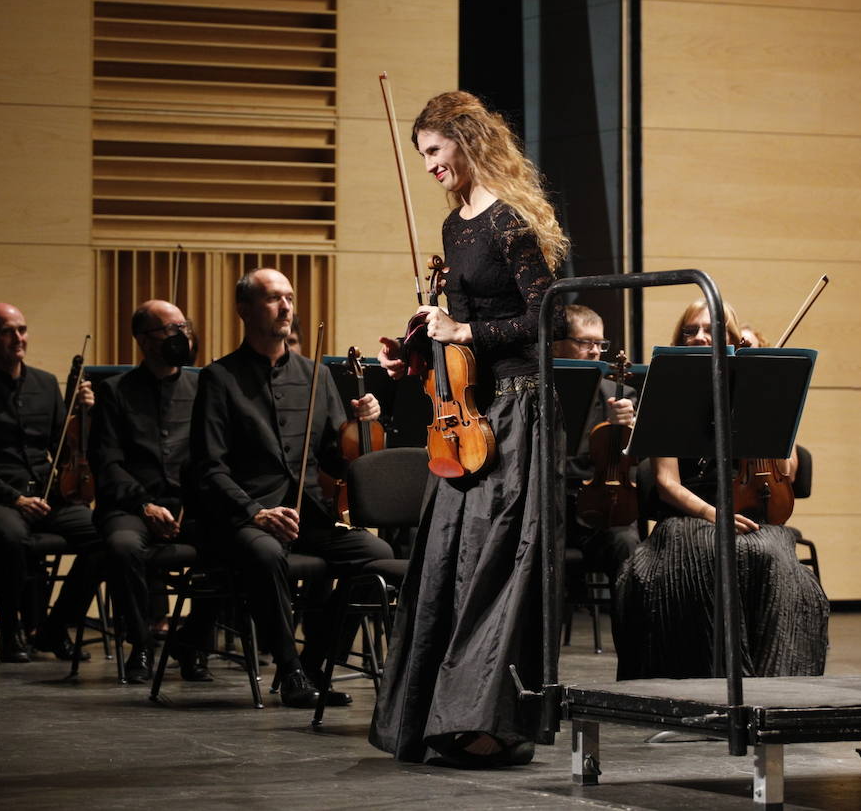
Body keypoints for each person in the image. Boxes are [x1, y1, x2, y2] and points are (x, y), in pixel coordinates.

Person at [370, 90, 568, 767]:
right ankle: (440, 715)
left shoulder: (512, 222)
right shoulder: (457, 227)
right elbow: (455, 336)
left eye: (433, 150)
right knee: (449, 562)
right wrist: (417, 351)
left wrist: (467, 328)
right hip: (468, 420)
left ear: (465, 140)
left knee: (497, 569)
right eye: (421, 155)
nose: (427, 166)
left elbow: (548, 321)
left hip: (520, 414)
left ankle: (494, 723)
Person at [191, 267, 392, 708]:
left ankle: (317, 663)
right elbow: (209, 468)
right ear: (244, 309)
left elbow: (335, 459)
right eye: (272, 298)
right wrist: (255, 512)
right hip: (246, 519)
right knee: (264, 553)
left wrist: (362, 426)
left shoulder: (316, 375)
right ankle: (289, 669)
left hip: (309, 516)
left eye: (289, 298)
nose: (285, 307)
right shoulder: (219, 378)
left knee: (376, 556)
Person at [612, 299, 828, 679]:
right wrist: (714, 513)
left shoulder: (755, 387)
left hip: (753, 516)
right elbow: (665, 482)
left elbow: (786, 473)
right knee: (707, 551)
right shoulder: (666, 388)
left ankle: (778, 687)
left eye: (711, 330)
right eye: (691, 331)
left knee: (776, 561)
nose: (700, 337)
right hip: (688, 517)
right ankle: (709, 683)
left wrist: (779, 406)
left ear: (731, 338)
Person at [0, 303, 104, 663]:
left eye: (22, 329)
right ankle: (12, 630)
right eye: (7, 331)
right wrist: (14, 499)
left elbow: (64, 447)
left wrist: (84, 414)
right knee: (11, 537)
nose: (18, 338)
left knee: (103, 535)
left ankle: (55, 626)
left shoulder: (46, 384)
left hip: (46, 496)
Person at [89, 300, 206, 683]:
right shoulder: (114, 392)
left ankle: (193, 643)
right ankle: (140, 645)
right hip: (131, 507)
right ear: (142, 339)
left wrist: (192, 503)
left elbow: (212, 456)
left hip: (189, 507)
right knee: (122, 546)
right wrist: (145, 505)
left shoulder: (204, 386)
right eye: (169, 330)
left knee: (236, 543)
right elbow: (107, 463)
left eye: (183, 328)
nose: (181, 337)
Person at [554, 304, 639, 583]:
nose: (594, 351)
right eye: (584, 342)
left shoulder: (622, 394)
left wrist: (626, 430)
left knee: (625, 542)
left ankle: (630, 627)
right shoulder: (538, 394)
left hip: (599, 512)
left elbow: (634, 464)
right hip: (552, 510)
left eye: (599, 344)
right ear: (557, 346)